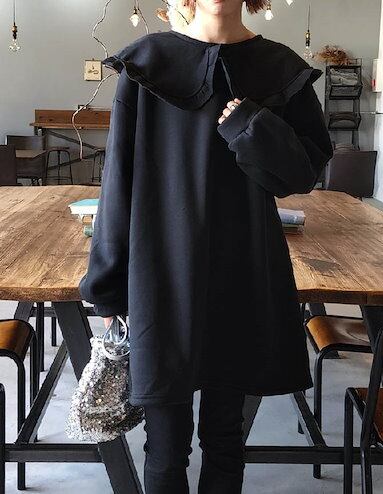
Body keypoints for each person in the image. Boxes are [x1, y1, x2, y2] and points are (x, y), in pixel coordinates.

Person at [78, 0, 334, 492]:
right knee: (164, 444)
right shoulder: (147, 63)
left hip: (244, 272)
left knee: (226, 438)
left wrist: (251, 125)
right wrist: (107, 288)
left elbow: (302, 174)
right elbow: (118, 182)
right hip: (161, 277)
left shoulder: (280, 67)